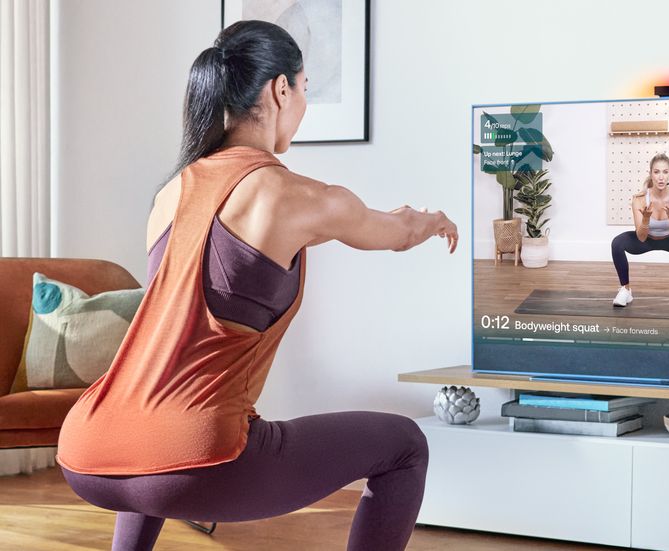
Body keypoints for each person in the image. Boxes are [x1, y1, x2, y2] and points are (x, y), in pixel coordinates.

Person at [55, 21, 458, 551]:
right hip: (200, 461)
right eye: (305, 88)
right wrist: (432, 222)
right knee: (404, 443)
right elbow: (396, 233)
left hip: (87, 448)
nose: (304, 105)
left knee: (159, 431)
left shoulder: (170, 194)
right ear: (280, 89)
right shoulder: (298, 196)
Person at [610, 153, 669, 308]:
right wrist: (646, 218)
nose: (661, 177)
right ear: (651, 174)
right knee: (617, 243)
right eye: (656, 172)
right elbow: (641, 237)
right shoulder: (640, 199)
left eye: (665, 172)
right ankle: (625, 290)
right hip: (646, 240)